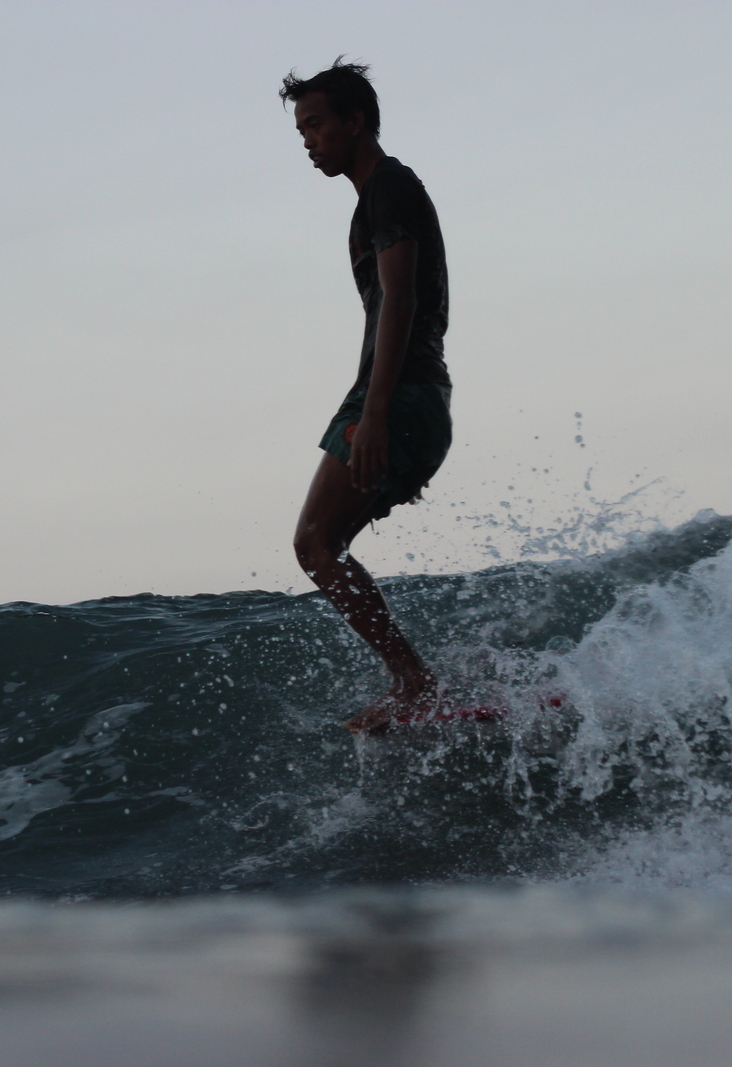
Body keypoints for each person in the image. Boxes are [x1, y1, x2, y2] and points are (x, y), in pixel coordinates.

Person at [281, 60, 454, 736]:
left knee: (316, 540)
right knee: (328, 543)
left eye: (317, 124)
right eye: (301, 129)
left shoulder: (390, 187)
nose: (307, 139)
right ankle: (414, 679)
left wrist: (377, 412)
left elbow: (401, 301)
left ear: (356, 121)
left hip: (398, 397)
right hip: (406, 396)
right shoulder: (377, 194)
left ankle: (413, 679)